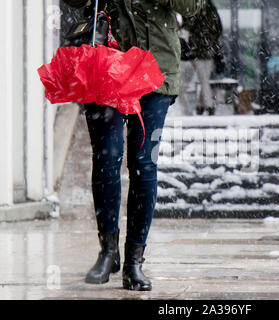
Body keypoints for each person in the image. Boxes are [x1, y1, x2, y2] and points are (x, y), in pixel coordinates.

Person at [62, 0, 203, 291]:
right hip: (105, 64)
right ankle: (108, 251)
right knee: (106, 159)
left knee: (143, 163)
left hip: (155, 70)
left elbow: (192, 6)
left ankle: (134, 261)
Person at [179, 0, 222, 115]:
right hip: (208, 48)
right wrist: (211, 39)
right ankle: (204, 105)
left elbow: (187, 26)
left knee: (204, 79)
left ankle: (207, 105)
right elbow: (219, 28)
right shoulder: (210, 7)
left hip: (196, 49)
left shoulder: (192, 6)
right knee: (204, 78)